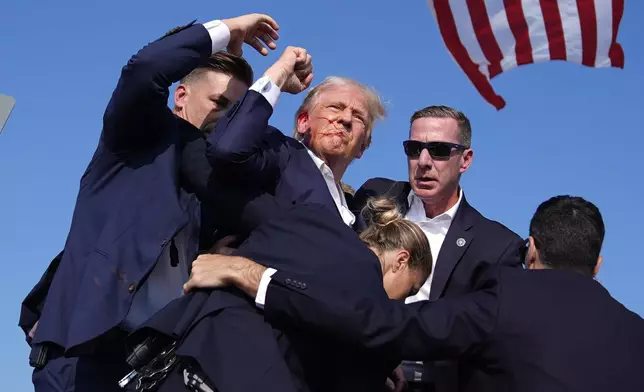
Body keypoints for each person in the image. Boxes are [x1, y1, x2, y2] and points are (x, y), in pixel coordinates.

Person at [24, 13, 285, 392]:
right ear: (182, 96)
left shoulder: (220, 185)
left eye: (237, 111)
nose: (227, 118)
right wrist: (231, 29)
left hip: (151, 365)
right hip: (83, 357)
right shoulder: (135, 138)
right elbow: (146, 68)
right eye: (219, 102)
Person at [189, 195, 644, 392]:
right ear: (598, 265)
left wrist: (255, 276)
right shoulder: (635, 334)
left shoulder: (509, 298)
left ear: (531, 251)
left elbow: (378, 324)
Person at [129, 197, 432, 392]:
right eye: (411, 288)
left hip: (183, 357)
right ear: (401, 260)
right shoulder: (372, 303)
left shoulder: (310, 220)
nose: (403, 299)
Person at [350, 105, 524, 390]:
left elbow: (492, 341)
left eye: (440, 150)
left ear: (465, 159)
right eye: (414, 148)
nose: (424, 161)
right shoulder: (375, 196)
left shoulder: (497, 246)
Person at [206, 51, 386, 232]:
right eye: (335, 107)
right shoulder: (281, 154)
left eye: (359, 117)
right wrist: (279, 74)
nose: (346, 119)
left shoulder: (356, 216)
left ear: (363, 146)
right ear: (303, 122)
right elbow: (228, 149)